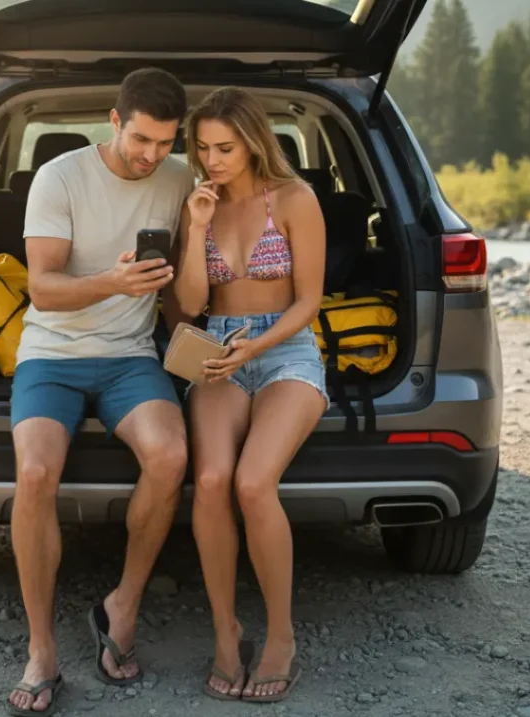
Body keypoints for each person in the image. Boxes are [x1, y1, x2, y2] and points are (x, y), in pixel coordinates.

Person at [6, 67, 195, 716]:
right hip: (52, 355)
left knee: (170, 457)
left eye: (165, 143)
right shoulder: (60, 177)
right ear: (113, 122)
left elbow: (186, 283)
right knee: (34, 472)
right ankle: (42, 650)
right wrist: (114, 284)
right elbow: (45, 288)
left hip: (128, 357)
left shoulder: (178, 178)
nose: (150, 156)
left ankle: (123, 604)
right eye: (140, 138)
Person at [173, 86, 329, 703]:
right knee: (210, 480)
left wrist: (257, 349)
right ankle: (225, 630)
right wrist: (196, 228)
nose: (213, 160)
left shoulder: (294, 199)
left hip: (285, 349)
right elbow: (188, 303)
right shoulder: (200, 205)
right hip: (216, 350)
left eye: (226, 147)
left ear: (254, 140)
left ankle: (281, 638)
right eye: (204, 148)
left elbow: (308, 302)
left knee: (252, 482)